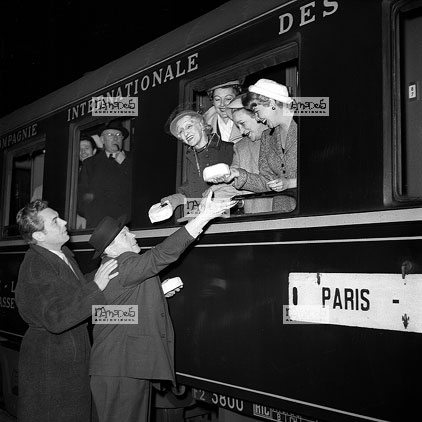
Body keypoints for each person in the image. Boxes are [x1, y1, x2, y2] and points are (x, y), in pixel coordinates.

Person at [88, 191, 236, 422]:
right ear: (110, 248)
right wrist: (203, 218)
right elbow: (162, 255)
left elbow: (104, 316)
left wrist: (156, 293)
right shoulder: (123, 265)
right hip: (122, 368)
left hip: (114, 367)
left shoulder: (109, 270)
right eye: (126, 233)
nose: (133, 234)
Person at [14, 199, 118, 422]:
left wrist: (129, 301)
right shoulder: (36, 266)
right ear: (39, 236)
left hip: (67, 362)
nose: (64, 221)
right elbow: (57, 318)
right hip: (52, 368)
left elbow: (78, 299)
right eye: (55, 220)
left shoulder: (61, 257)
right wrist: (97, 286)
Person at [211, 79, 297, 212]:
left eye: (257, 111)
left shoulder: (308, 119)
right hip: (283, 213)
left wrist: (291, 183)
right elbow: (266, 181)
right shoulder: (267, 137)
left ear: (272, 103)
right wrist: (238, 174)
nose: (257, 118)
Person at [206, 94, 273, 213]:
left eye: (243, 123)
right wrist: (213, 193)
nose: (241, 132)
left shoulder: (281, 137)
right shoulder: (240, 147)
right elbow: (233, 183)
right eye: (237, 126)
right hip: (256, 220)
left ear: (257, 115)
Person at [160, 109, 233, 213]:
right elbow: (192, 191)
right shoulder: (190, 157)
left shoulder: (228, 149)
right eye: (180, 131)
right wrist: (173, 201)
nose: (185, 133)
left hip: (224, 219)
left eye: (188, 126)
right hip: (199, 219)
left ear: (202, 125)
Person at [78, 119, 132, 228]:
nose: (115, 137)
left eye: (118, 134)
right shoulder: (90, 163)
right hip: (98, 225)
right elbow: (82, 196)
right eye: (110, 135)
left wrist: (125, 163)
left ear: (122, 138)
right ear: (102, 139)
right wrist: (92, 216)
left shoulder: (133, 160)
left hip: (127, 224)